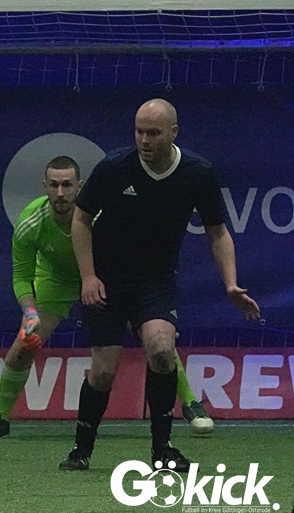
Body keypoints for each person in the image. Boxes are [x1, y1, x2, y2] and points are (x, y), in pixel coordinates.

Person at [59, 99, 260, 472]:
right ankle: (80, 450)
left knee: (162, 349)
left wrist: (231, 284)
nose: (144, 140)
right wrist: (88, 276)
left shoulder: (197, 172)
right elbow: (81, 219)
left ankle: (162, 450)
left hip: (155, 281)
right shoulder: (115, 167)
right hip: (107, 281)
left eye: (153, 133)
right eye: (139, 132)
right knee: (103, 371)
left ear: (173, 133)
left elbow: (218, 232)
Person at [0, 156, 213, 439]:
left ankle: (191, 404)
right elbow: (21, 277)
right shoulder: (30, 222)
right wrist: (30, 314)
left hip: (104, 278)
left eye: (67, 185)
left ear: (80, 186)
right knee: (24, 345)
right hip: (56, 281)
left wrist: (143, 301)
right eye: (53, 185)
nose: (60, 192)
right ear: (44, 186)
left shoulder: (100, 215)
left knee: (156, 338)